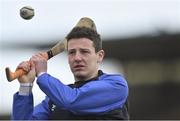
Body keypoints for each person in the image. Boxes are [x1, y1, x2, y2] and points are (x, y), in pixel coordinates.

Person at [12, 26, 129, 120]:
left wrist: (42, 74)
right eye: (72, 52)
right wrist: (25, 86)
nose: (77, 58)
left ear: (100, 56)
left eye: (84, 52)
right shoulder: (53, 100)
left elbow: (72, 100)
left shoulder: (116, 85)